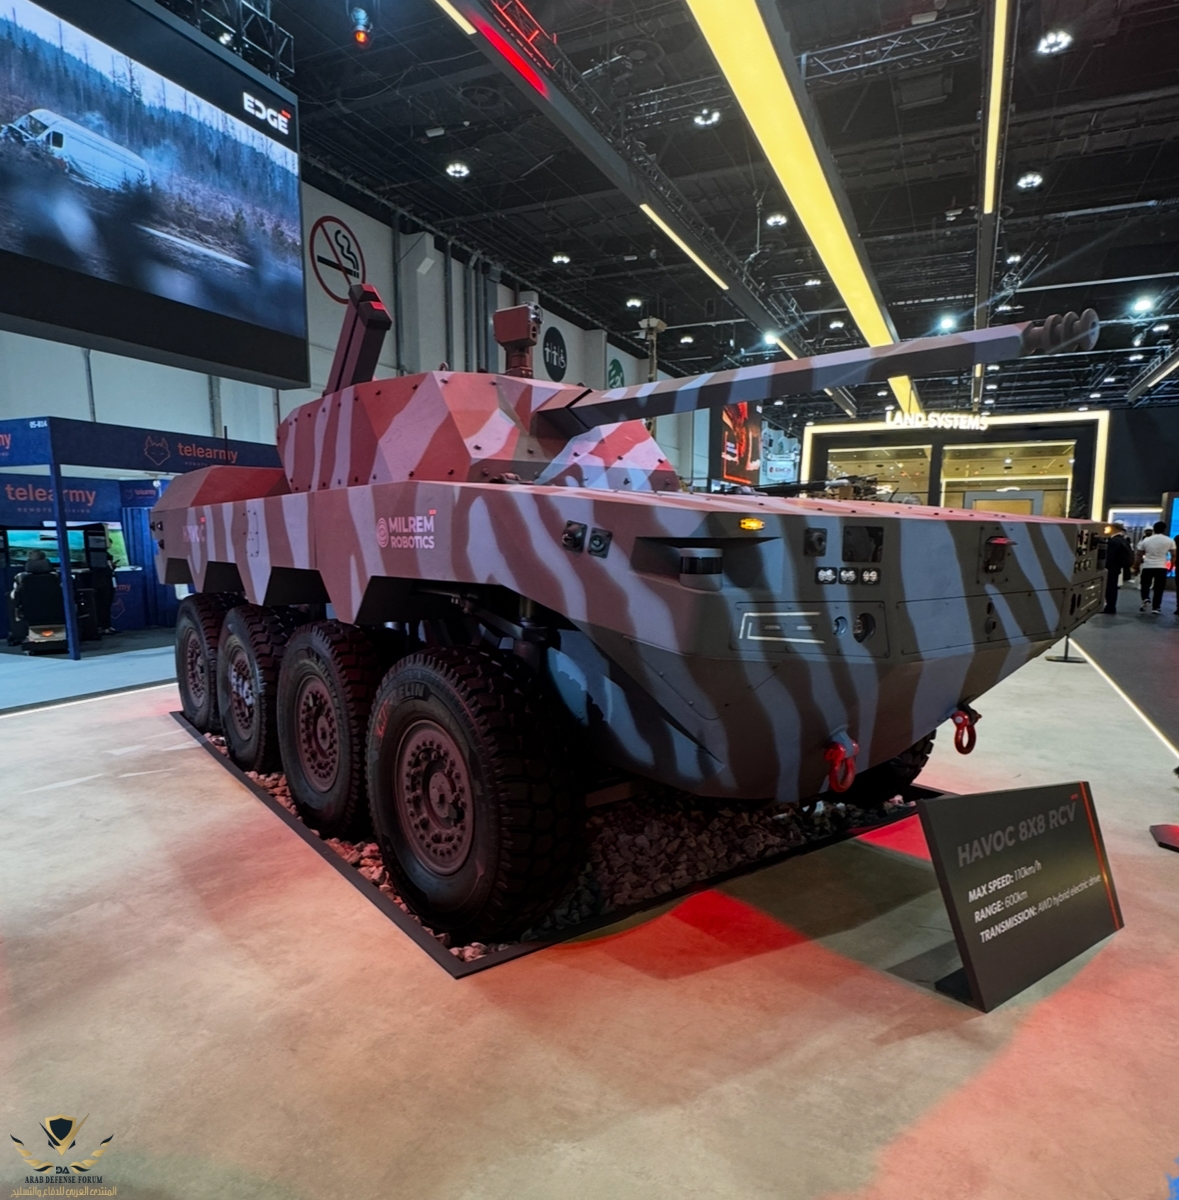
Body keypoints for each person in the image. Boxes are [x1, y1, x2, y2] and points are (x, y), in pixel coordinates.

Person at [1136, 520, 1176, 614]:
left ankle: (1145, 597)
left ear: (1154, 529)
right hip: (1161, 567)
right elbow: (1174, 555)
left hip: (1147, 566)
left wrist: (1136, 566)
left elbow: (1139, 554)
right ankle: (1156, 607)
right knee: (1159, 588)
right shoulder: (1169, 540)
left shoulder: (1146, 540)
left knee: (1145, 584)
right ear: (1164, 529)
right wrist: (1171, 566)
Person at [1103, 522, 1134, 614]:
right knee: (1113, 587)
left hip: (1111, 567)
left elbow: (1110, 556)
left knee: (1109, 588)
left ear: (1114, 529)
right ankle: (1111, 606)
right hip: (1117, 568)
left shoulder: (1114, 541)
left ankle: (1110, 607)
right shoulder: (1123, 540)